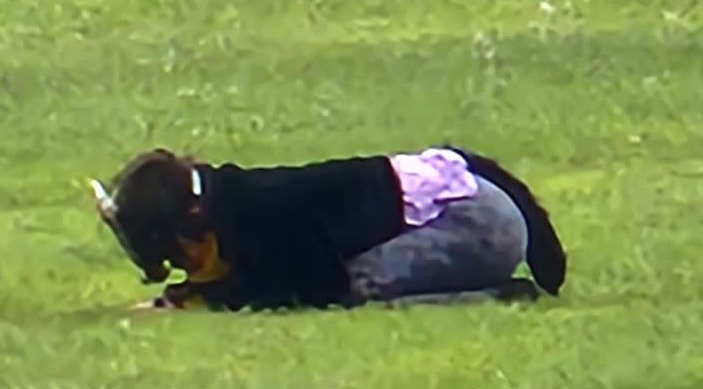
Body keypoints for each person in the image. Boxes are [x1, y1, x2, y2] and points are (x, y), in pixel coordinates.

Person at [89, 144, 566, 311]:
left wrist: (198, 302)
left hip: (473, 224)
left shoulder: (263, 213)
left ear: (194, 222)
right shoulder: (236, 205)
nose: (183, 268)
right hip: (480, 208)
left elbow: (309, 287)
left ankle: (496, 295)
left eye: (176, 255)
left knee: (354, 291)